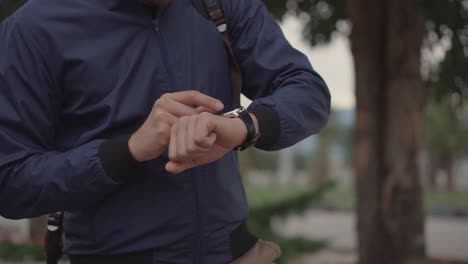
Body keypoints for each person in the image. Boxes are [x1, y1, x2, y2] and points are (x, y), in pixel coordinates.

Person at [0, 0, 331, 263]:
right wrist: (127, 151)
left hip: (236, 253)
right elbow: (11, 181)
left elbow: (307, 91)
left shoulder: (220, 5)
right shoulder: (34, 29)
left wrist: (245, 125)